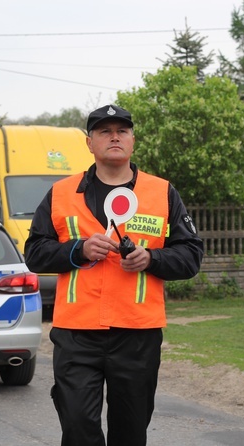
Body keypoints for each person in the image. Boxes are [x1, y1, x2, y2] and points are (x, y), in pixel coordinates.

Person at [24, 104, 204, 446]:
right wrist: (78, 251)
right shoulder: (62, 192)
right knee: (77, 425)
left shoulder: (162, 192)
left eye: (122, 131)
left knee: (130, 431)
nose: (115, 137)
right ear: (89, 143)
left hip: (137, 332)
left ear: (133, 141)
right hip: (77, 331)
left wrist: (150, 258)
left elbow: (191, 255)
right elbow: (33, 252)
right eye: (105, 131)